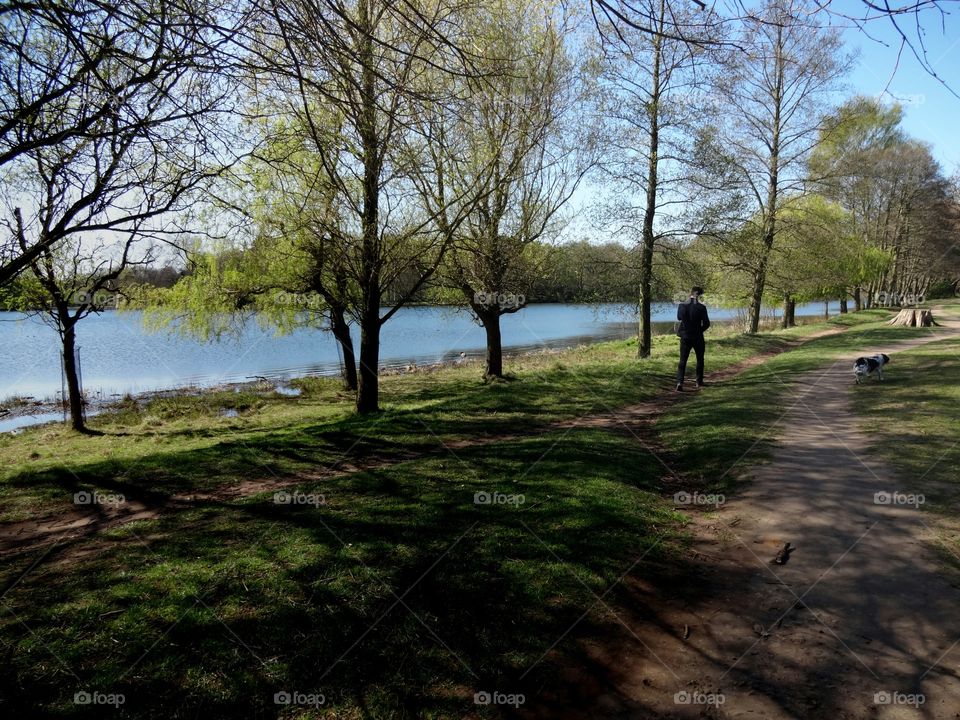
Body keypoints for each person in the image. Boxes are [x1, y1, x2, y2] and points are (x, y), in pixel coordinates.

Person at [676, 286, 710, 391]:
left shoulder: (682, 305)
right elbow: (707, 324)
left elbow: (679, 318)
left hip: (685, 336)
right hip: (697, 336)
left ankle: (679, 382)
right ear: (699, 295)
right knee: (700, 359)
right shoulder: (701, 308)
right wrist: (700, 330)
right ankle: (699, 381)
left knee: (682, 360)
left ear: (690, 293)